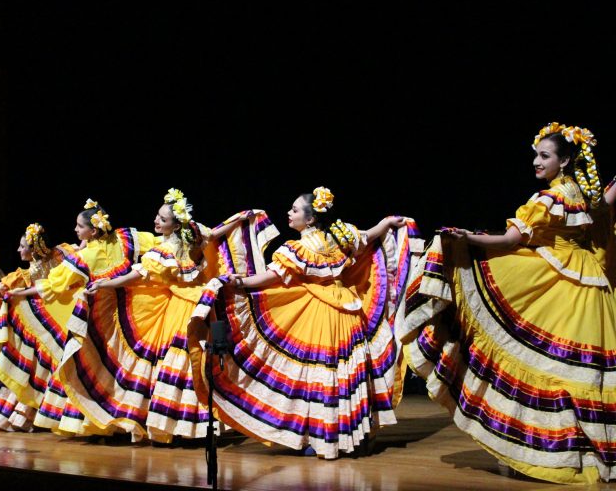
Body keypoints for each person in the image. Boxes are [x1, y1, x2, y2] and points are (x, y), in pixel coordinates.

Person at [399, 123, 616, 484]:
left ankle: (544, 453)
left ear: (563, 161)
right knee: (580, 372)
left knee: (548, 366)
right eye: (536, 154)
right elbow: (604, 210)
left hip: (557, 283)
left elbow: (510, 240)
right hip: (591, 285)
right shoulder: (583, 195)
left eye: (544, 156)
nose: (536, 161)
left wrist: (467, 237)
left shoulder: (549, 199)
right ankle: (585, 453)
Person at [187, 186, 418, 459]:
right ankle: (348, 436)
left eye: (294, 210)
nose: (289, 213)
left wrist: (240, 282)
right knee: (339, 375)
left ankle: (324, 439)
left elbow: (271, 277)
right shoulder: (338, 237)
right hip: (347, 312)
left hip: (321, 315)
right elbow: (367, 237)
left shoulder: (299, 248)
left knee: (319, 376)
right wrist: (386, 223)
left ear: (309, 219)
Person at [61, 188, 262, 443]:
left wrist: (106, 284)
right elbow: (216, 232)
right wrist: (241, 218)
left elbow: (136, 275)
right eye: (158, 216)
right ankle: (190, 425)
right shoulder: (192, 235)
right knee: (191, 361)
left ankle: (183, 425)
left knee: (181, 361)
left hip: (182, 307)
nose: (156, 221)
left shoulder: (167, 248)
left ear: (176, 224)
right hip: (198, 304)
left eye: (162, 219)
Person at [0, 200, 154, 434]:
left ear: (94, 230)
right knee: (123, 366)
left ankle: (98, 423)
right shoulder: (123, 239)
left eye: (80, 227)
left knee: (96, 368)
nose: (76, 231)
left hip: (98, 321)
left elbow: (52, 285)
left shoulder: (84, 257)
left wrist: (22, 293)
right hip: (129, 315)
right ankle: (125, 419)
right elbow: (159, 243)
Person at [0, 223, 74, 431]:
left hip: (59, 325)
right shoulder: (23, 276)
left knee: (50, 369)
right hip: (41, 329)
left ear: (34, 248)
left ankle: (50, 416)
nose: (19, 250)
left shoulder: (60, 257)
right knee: (33, 369)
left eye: (22, 246)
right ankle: (27, 416)